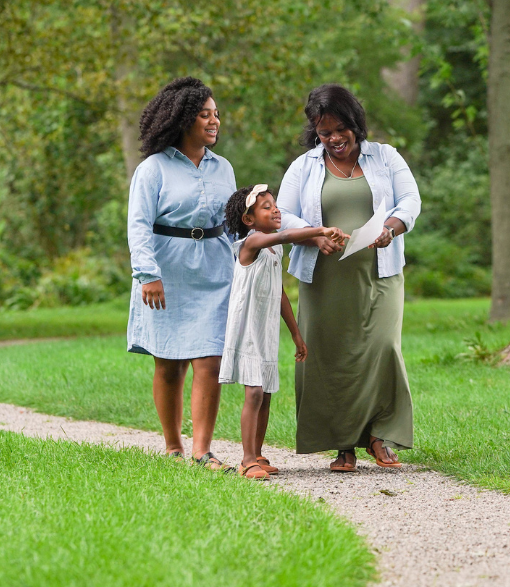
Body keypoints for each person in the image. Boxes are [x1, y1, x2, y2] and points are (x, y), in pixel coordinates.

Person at [277, 84, 421, 472]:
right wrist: (314, 234)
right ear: (315, 132)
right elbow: (281, 214)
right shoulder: (304, 166)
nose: (335, 138)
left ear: (355, 123)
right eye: (325, 132)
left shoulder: (385, 157)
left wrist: (390, 227)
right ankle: (343, 445)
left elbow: (411, 200)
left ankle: (380, 435)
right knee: (329, 356)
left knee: (382, 349)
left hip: (380, 274)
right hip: (324, 278)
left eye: (341, 129)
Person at [126, 77, 238, 472]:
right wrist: (147, 274)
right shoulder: (153, 169)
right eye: (205, 114)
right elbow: (138, 225)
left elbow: (233, 224)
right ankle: (173, 446)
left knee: (209, 360)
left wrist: (250, 257)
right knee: (169, 362)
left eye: (216, 114)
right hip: (166, 271)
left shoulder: (223, 168)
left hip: (213, 270)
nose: (215, 121)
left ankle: (202, 450)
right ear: (184, 119)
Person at [218, 183, 347, 480]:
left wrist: (296, 334)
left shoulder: (273, 250)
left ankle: (258, 453)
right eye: (266, 207)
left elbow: (278, 294)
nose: (275, 209)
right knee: (253, 393)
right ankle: (247, 460)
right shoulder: (251, 244)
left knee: (265, 394)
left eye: (275, 204)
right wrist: (320, 230)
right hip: (248, 327)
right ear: (249, 220)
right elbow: (288, 235)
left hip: (266, 330)